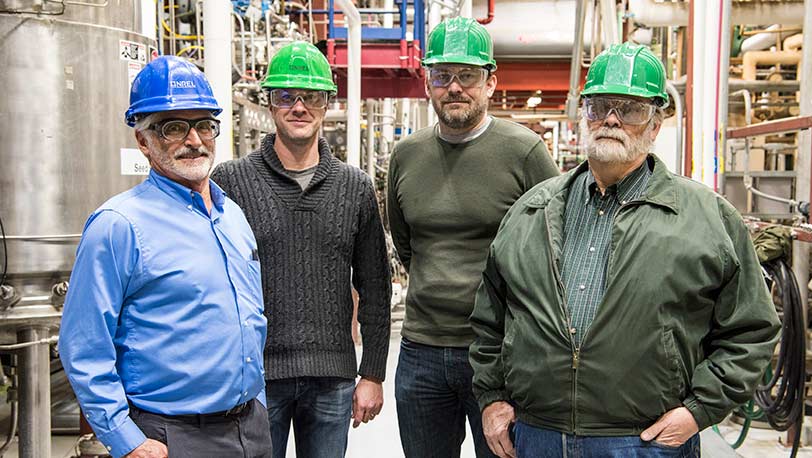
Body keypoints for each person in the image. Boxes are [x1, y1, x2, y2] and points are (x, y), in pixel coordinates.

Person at [469, 43, 781, 458]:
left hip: (644, 441)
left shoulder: (706, 218)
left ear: (656, 123)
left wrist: (699, 410)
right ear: (584, 114)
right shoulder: (532, 210)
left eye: (629, 109)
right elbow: (491, 316)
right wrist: (491, 398)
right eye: (599, 106)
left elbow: (752, 329)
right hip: (539, 436)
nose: (611, 120)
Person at [58, 55, 271, 458]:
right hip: (171, 436)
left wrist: (256, 401)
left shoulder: (232, 215)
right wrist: (125, 439)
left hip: (250, 427)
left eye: (204, 125)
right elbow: (83, 345)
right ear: (143, 140)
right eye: (174, 127)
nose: (194, 140)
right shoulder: (118, 225)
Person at [387, 17, 560, 458]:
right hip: (421, 350)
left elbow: (556, 242)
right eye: (442, 76)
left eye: (468, 75)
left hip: (500, 353)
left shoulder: (524, 151)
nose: (455, 88)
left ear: (490, 82)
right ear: (429, 82)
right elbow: (407, 242)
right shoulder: (407, 155)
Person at [211, 41, 392, 458]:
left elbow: (376, 289)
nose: (299, 107)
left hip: (333, 378)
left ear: (327, 102)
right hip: (256, 379)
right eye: (286, 96)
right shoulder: (232, 181)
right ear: (269, 104)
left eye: (310, 96)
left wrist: (373, 373)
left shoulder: (356, 186)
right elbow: (214, 282)